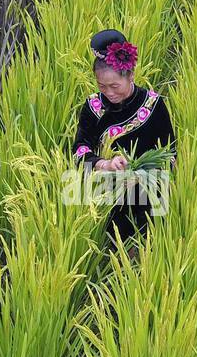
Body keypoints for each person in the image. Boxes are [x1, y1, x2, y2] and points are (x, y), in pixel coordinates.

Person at [72, 29, 175, 244]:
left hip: (148, 191)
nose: (108, 92)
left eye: (115, 86)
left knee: (148, 238)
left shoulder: (153, 105)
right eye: (102, 86)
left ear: (131, 76)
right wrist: (105, 164)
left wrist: (142, 174)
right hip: (105, 190)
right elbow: (80, 150)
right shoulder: (93, 107)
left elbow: (170, 152)